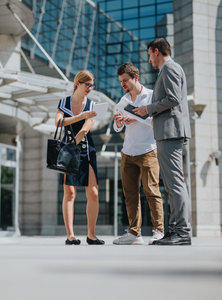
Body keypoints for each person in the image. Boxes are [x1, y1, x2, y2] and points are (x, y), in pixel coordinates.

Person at [133, 38, 192, 245]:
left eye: (149, 55)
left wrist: (148, 109)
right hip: (167, 132)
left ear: (156, 51)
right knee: (171, 183)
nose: (149, 60)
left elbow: (174, 98)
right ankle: (174, 230)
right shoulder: (167, 70)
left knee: (175, 183)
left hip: (170, 133)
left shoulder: (169, 68)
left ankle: (182, 232)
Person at [112, 62, 164, 245]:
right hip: (128, 152)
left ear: (136, 77)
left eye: (125, 80)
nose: (123, 84)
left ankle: (159, 231)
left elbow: (155, 122)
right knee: (130, 195)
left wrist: (133, 118)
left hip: (148, 150)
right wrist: (119, 122)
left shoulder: (151, 96)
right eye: (121, 81)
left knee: (152, 191)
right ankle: (134, 234)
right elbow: (117, 128)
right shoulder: (123, 100)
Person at [55, 70, 104, 245]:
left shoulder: (92, 105)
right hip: (69, 148)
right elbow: (58, 122)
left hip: (85, 148)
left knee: (94, 192)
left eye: (92, 85)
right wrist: (79, 116)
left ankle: (91, 235)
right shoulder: (64, 102)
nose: (90, 88)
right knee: (70, 192)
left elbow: (85, 129)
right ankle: (70, 236)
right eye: (87, 84)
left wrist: (72, 145)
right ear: (78, 84)